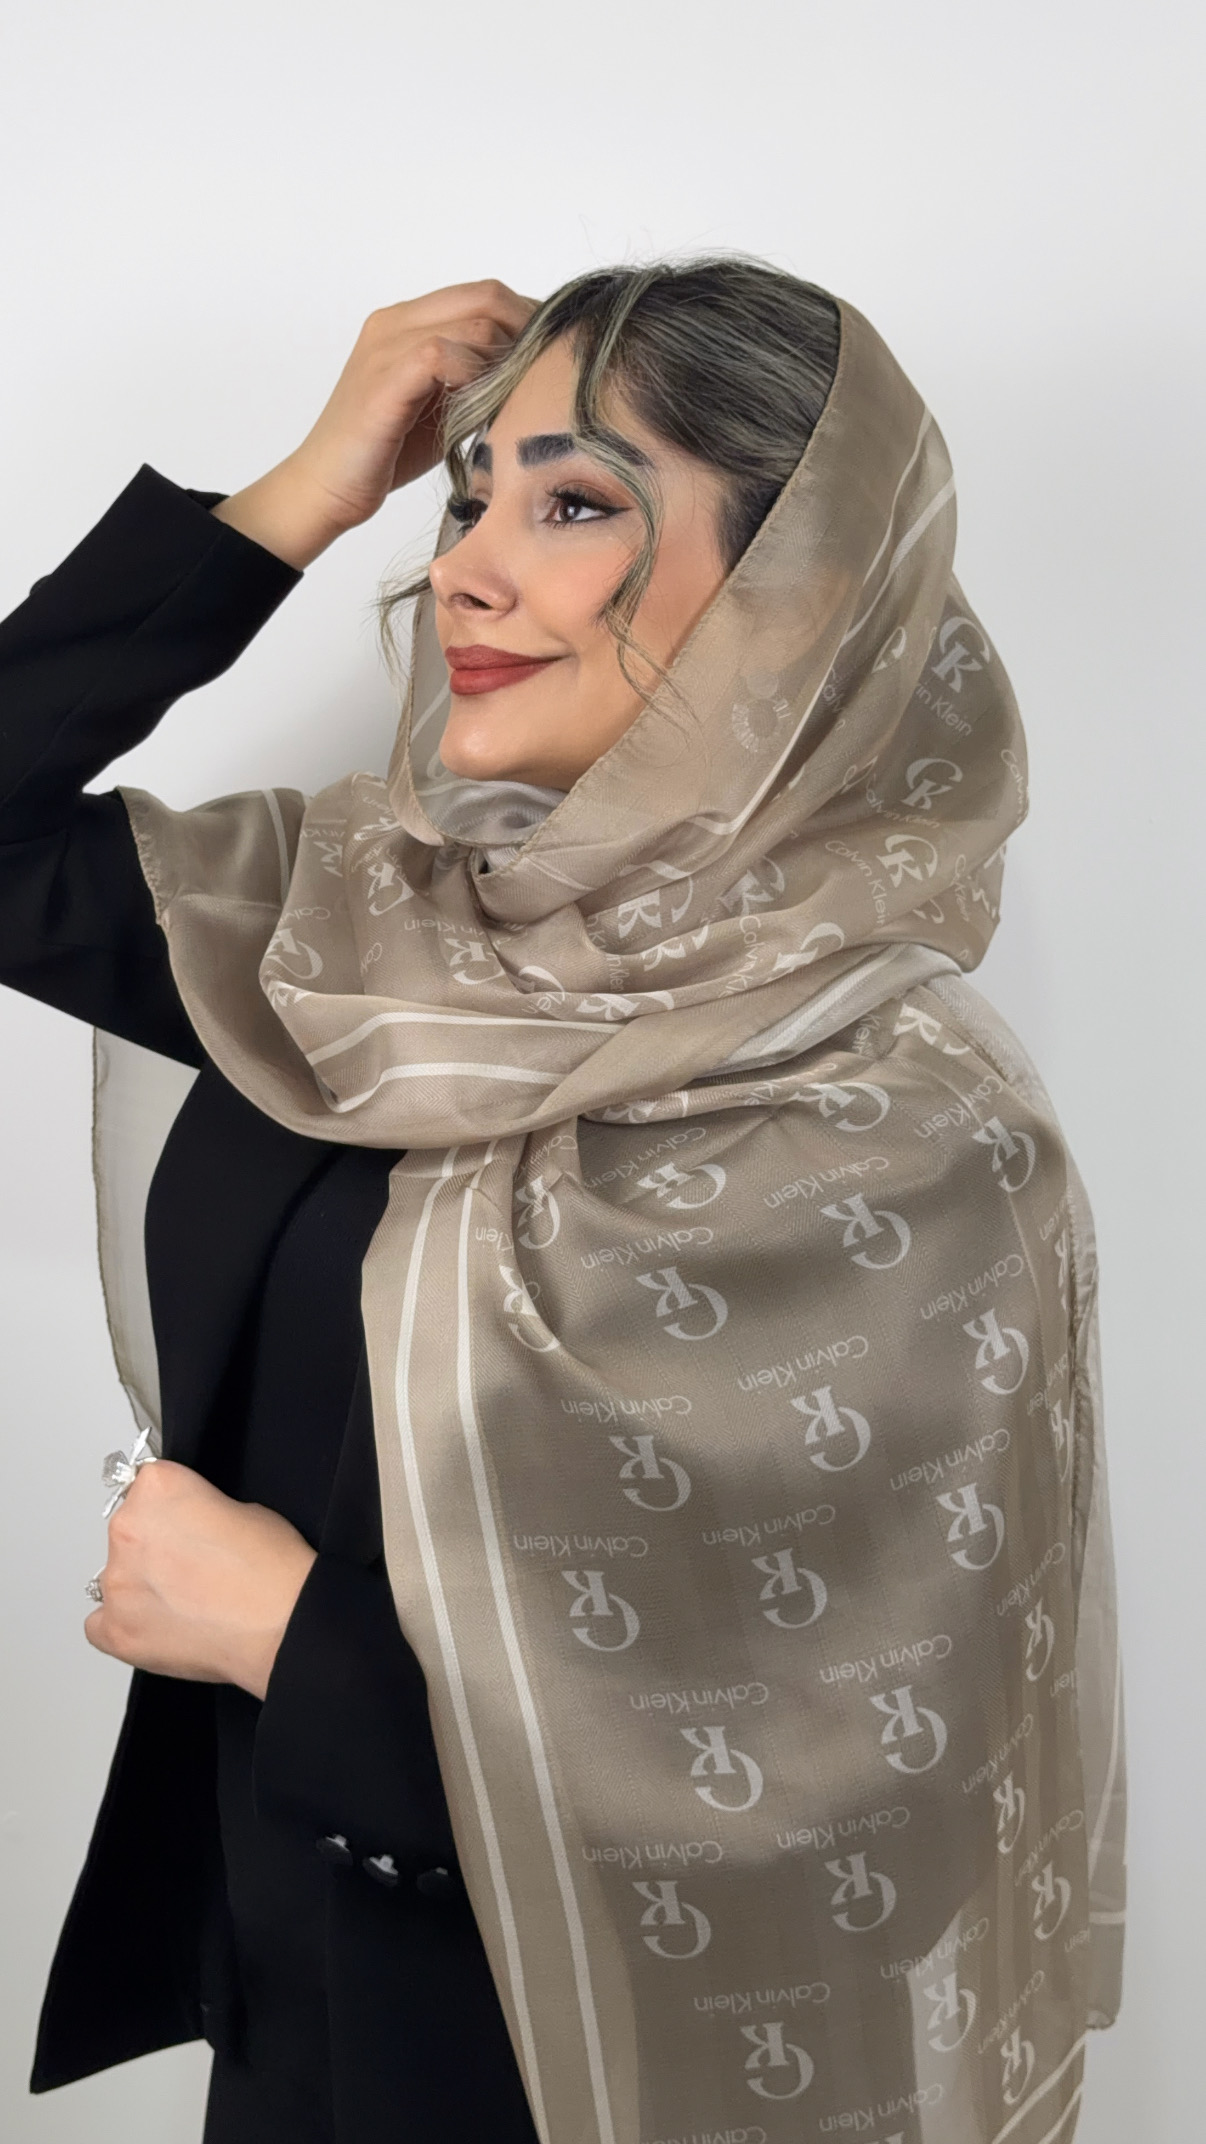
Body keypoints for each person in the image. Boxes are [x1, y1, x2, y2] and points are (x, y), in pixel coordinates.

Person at [0, 260, 1124, 2144]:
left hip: (585, 2074)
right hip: (289, 2025)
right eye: (466, 499)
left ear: (793, 601)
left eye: (576, 503)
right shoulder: (354, 947)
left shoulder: (917, 1135)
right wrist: (295, 495)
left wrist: (290, 1639)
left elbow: (860, 1791)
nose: (464, 569)